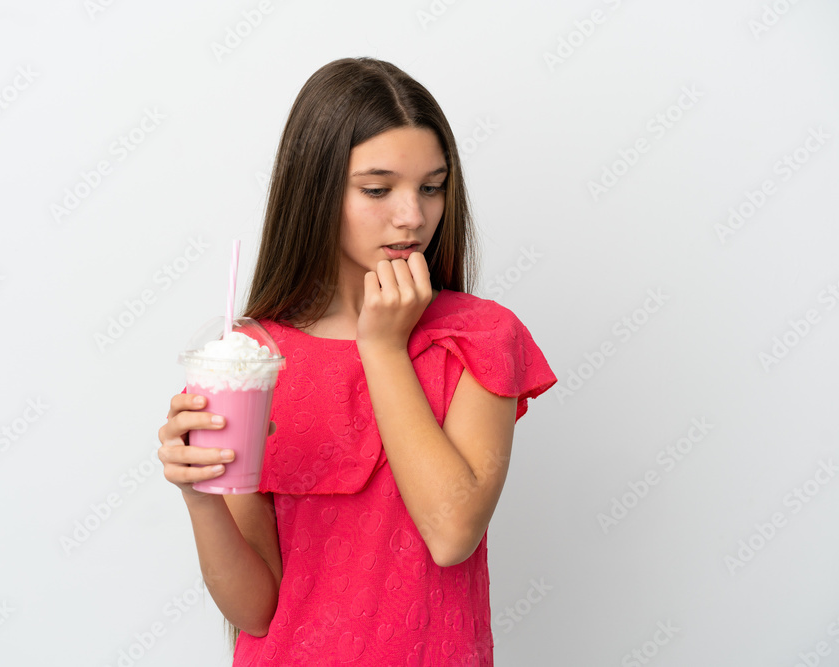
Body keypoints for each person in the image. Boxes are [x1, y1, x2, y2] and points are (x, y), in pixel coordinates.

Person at [157, 56, 557, 666]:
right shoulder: (253, 359)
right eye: (378, 189)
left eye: (432, 186)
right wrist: (200, 497)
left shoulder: (477, 337)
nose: (412, 216)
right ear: (315, 190)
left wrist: (383, 346)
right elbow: (256, 610)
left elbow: (452, 534)